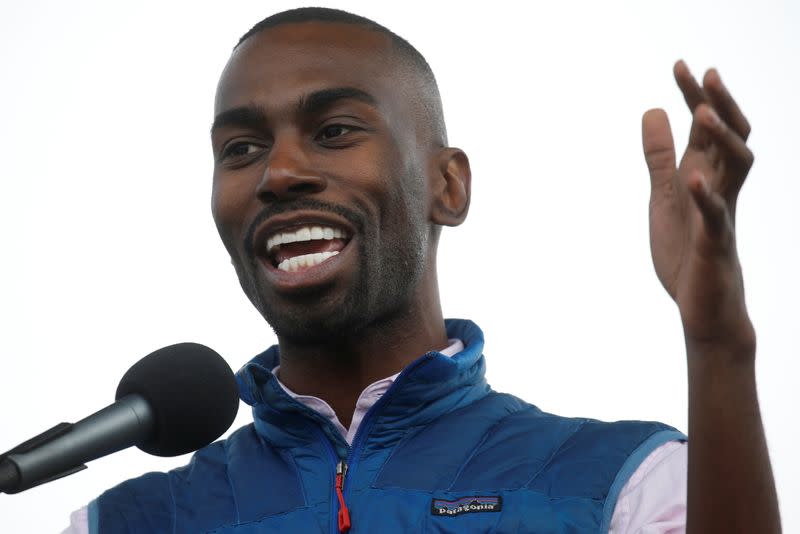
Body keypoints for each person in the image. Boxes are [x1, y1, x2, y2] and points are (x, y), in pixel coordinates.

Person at [63, 7, 780, 533]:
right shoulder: (125, 521)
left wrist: (718, 347)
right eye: (241, 148)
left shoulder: (622, 483)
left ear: (448, 186)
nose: (278, 172)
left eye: (334, 131)